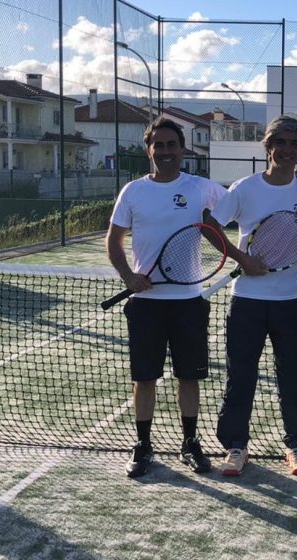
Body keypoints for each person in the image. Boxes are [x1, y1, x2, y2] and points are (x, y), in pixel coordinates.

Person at [107, 117, 227, 479]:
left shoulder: (203, 189)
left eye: (171, 144)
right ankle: (142, 446)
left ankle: (190, 443)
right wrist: (129, 276)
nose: (165, 151)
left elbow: (245, 201)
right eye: (158, 145)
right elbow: (113, 241)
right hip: (146, 305)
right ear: (149, 150)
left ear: (183, 149)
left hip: (189, 302)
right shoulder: (133, 191)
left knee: (188, 378)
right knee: (144, 379)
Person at [207, 115, 297, 478]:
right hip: (248, 301)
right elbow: (209, 223)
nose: (287, 150)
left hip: (294, 301)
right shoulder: (244, 188)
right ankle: (235, 447)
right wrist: (242, 258)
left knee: (293, 376)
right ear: (268, 146)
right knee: (241, 375)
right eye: (280, 142)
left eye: (294, 144)